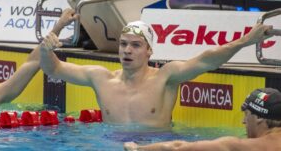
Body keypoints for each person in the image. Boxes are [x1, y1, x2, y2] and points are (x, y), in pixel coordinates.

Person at [40, 17, 274, 128]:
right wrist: (46, 48)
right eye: (123, 44)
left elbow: (208, 60)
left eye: (135, 45)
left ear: (149, 51)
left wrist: (246, 40)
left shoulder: (166, 77)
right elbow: (54, 68)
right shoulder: (101, 78)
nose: (127, 51)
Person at [124, 87, 281, 151]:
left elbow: (176, 148)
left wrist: (138, 149)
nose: (243, 122)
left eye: (246, 114)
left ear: (259, 118)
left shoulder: (239, 146)